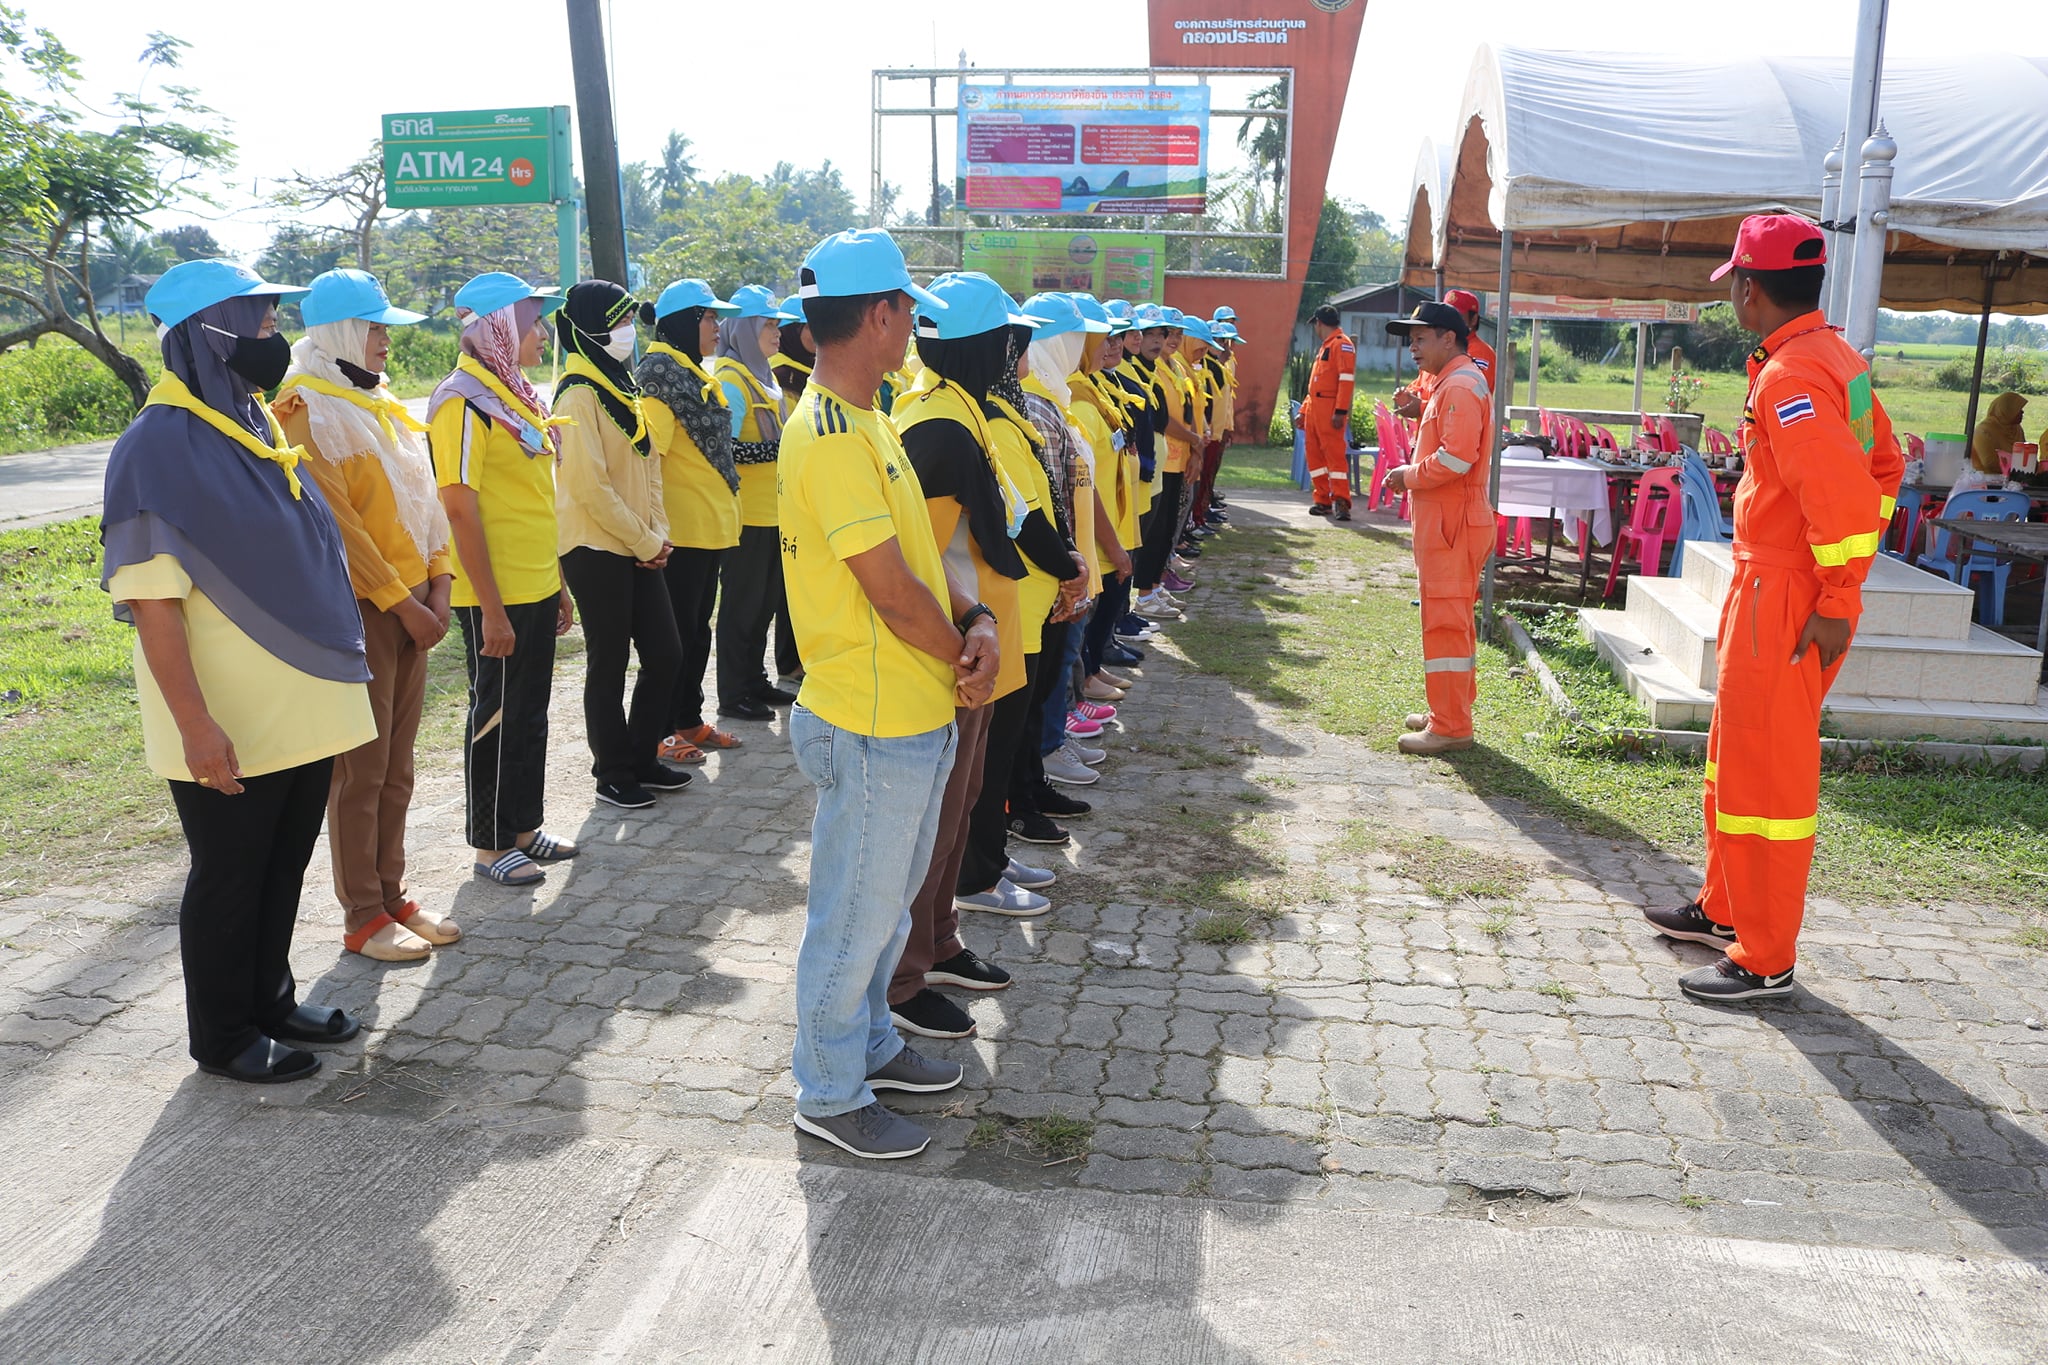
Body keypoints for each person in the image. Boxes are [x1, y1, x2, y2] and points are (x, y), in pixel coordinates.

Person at [103, 259, 375, 1083]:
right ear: (207, 331)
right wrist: (195, 725)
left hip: (295, 703)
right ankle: (222, 1034)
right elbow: (155, 603)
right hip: (227, 715)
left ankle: (270, 998)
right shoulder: (156, 445)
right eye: (256, 319)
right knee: (230, 871)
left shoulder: (248, 417)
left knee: (283, 858)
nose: (272, 334)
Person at [779, 229, 1000, 1159]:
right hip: (871, 717)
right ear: (879, 315)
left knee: (888, 905)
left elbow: (922, 558)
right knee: (854, 915)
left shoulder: (871, 419)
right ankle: (828, 1090)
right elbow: (887, 587)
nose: (915, 325)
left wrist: (976, 618)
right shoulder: (829, 433)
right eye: (909, 309)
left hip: (910, 710)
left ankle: (867, 1043)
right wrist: (962, 649)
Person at [1644, 214, 1903, 1002]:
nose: (1735, 298)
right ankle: (1725, 911)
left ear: (1751, 291)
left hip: (1787, 596)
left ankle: (1764, 955)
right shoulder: (1837, 360)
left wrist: (1834, 593)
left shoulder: (1791, 377)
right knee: (1735, 760)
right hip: (1779, 586)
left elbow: (1847, 504)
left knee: (1769, 783)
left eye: (1736, 286)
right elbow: (1887, 466)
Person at [275, 268, 458, 963]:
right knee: (362, 769)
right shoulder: (303, 410)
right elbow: (338, 530)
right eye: (376, 326)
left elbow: (425, 499)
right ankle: (360, 913)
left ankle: (391, 892)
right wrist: (404, 604)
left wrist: (439, 584)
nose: (386, 341)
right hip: (364, 612)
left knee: (399, 764)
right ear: (342, 331)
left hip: (416, 605)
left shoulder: (378, 401)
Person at [888, 271, 1045, 1041]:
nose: (1014, 354)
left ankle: (940, 940)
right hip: (953, 651)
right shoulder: (937, 427)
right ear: (982, 346)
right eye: (1005, 340)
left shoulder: (958, 413)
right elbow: (913, 559)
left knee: (962, 801)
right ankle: (907, 974)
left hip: (978, 645)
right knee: (938, 816)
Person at [429, 272, 579, 888]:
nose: (541, 334)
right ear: (495, 327)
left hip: (536, 584)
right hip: (495, 595)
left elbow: (533, 500)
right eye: (530, 321)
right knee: (495, 715)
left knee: (531, 712)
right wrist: (490, 609)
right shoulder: (461, 402)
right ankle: (491, 846)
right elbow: (460, 508)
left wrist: (560, 584)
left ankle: (523, 828)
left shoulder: (513, 396)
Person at [554, 279, 691, 809]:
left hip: (638, 543)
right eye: (617, 321)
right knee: (608, 662)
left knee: (666, 653)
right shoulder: (577, 392)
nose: (627, 332)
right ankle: (612, 771)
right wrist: (642, 540)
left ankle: (640, 755)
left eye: (629, 320)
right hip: (594, 546)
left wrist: (656, 534)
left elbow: (649, 465)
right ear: (590, 330)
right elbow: (589, 487)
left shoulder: (622, 385)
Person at [1381, 301, 1496, 757]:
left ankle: (1450, 725)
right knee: (1452, 622)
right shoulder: (1453, 382)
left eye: (1420, 338)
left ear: (1449, 338)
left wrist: (1406, 475)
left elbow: (1456, 458)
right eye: (1411, 339)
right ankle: (1448, 711)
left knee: (1446, 624)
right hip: (1449, 522)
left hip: (1454, 523)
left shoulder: (1461, 386)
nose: (1413, 347)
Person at [639, 279, 745, 767]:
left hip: (708, 529)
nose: (716, 326)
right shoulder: (660, 373)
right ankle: (660, 731)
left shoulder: (688, 370)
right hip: (680, 532)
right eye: (708, 317)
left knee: (696, 632)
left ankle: (688, 719)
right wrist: (654, 529)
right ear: (684, 321)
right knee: (675, 638)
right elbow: (649, 458)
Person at [713, 285, 797, 722]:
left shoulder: (760, 375)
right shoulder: (731, 379)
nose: (777, 331)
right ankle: (733, 692)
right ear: (745, 328)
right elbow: (726, 449)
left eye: (778, 323)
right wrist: (783, 450)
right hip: (747, 515)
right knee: (742, 607)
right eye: (768, 324)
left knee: (764, 604)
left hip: (773, 513)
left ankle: (754, 681)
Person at [1394, 289, 1495, 421]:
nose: (1450, 318)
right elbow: (1423, 384)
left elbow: (1460, 407)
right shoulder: (1435, 353)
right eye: (1447, 311)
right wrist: (1411, 394)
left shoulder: (1478, 354)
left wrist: (1422, 407)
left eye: (1457, 314)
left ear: (1474, 319)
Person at [1299, 304, 1356, 520]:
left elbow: (1346, 380)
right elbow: (1315, 385)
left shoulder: (1342, 345)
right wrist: (1304, 411)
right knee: (1314, 456)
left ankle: (1341, 501)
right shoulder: (1326, 346)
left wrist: (1340, 412)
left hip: (1330, 409)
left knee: (1334, 457)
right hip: (1315, 408)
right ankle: (1322, 499)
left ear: (1319, 323)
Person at [1972, 391, 2027, 475]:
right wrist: (2020, 468)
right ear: (2006, 410)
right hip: (1986, 479)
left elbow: (2025, 454)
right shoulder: (1984, 430)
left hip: (2015, 477)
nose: (2022, 412)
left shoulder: (2017, 429)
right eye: (2018, 409)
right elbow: (1989, 463)